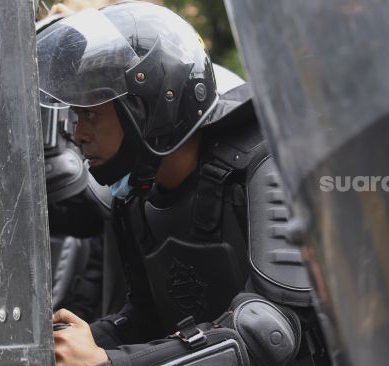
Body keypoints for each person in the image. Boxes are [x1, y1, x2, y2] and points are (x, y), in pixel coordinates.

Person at [37, 2, 330, 365]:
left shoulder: (260, 162)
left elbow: (271, 333)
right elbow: (146, 316)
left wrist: (110, 363)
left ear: (147, 109)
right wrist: (77, 342)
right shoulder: (137, 199)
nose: (78, 133)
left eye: (91, 115)